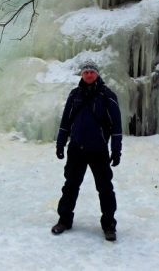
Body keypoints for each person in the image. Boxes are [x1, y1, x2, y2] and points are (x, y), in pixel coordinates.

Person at [51, 61, 123, 242]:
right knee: (70, 186)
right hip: (76, 148)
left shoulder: (107, 96)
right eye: (85, 72)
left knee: (105, 188)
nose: (89, 75)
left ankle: (109, 226)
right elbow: (66, 121)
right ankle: (64, 220)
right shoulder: (75, 95)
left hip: (98, 149)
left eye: (92, 72)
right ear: (82, 75)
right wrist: (60, 143)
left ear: (97, 74)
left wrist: (116, 149)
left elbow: (116, 125)